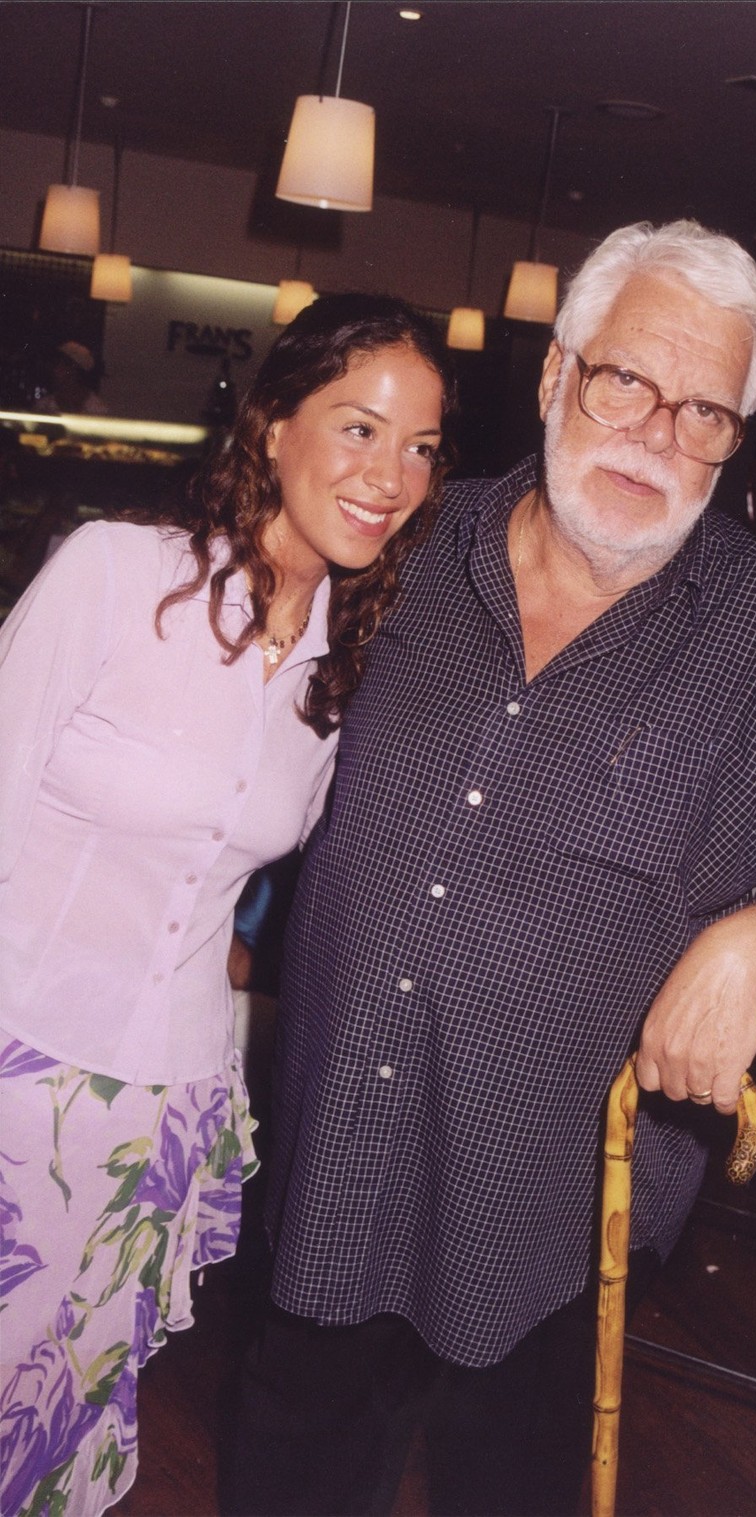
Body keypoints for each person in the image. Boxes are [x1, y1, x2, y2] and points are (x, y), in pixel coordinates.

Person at [225, 222, 756, 1517]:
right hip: (330, 1158)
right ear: (559, 373)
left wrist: (750, 947)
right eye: (628, 382)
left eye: (707, 413)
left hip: (546, 1224)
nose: (657, 439)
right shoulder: (399, 548)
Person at [0, 293, 455, 1517]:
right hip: (18, 1062)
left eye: (420, 448)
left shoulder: (349, 673)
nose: (391, 475)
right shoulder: (112, 574)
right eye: (359, 429)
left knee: (65, 1421)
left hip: (166, 1103)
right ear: (269, 428)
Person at [35, 340, 110, 415]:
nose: (54, 370)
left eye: (59, 364)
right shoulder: (43, 406)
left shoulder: (97, 409)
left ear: (73, 370)